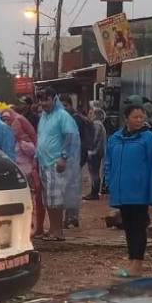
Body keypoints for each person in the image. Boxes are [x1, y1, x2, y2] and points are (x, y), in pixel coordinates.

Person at [105, 104, 152, 278]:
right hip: (122, 192)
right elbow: (108, 163)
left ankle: (138, 263)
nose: (139, 120)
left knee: (139, 226)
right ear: (126, 118)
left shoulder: (149, 139)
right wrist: (109, 182)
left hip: (140, 192)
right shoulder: (115, 138)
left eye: (141, 117)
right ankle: (132, 261)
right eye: (135, 117)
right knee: (128, 227)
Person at [35, 89, 80, 241]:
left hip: (56, 163)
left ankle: (58, 231)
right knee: (47, 199)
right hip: (44, 163)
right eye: (41, 100)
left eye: (46, 100)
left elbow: (70, 137)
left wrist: (64, 157)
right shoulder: (44, 117)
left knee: (56, 200)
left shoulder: (63, 116)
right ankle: (53, 229)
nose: (43, 103)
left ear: (54, 99)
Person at [2, 107, 45, 237]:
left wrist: (22, 141)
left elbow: (32, 152)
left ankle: (31, 226)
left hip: (26, 174)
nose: (7, 123)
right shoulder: (7, 139)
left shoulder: (23, 141)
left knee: (29, 202)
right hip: (15, 174)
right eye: (3, 120)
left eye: (8, 120)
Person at [60, 95, 86, 228]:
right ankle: (66, 217)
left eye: (66, 105)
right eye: (61, 105)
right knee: (64, 189)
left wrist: (82, 158)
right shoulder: (59, 120)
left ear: (71, 105)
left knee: (73, 188)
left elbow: (84, 140)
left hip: (75, 160)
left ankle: (72, 217)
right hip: (63, 161)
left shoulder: (77, 119)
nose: (64, 108)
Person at [82, 104, 106, 200]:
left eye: (91, 113)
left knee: (94, 173)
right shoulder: (100, 124)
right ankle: (94, 191)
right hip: (97, 151)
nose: (89, 114)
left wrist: (89, 149)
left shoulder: (96, 124)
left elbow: (94, 138)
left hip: (94, 152)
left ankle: (94, 192)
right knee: (95, 172)